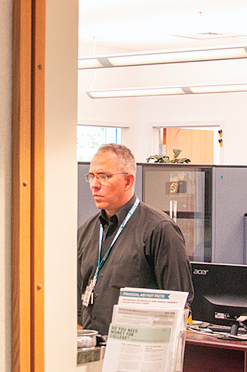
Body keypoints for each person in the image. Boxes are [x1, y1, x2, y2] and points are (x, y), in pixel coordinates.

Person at [77, 143, 193, 334]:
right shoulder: (86, 231)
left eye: (104, 176)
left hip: (140, 347)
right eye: (91, 176)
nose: (94, 184)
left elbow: (178, 302)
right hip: (92, 347)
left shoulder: (159, 230)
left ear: (128, 181)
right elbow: (77, 302)